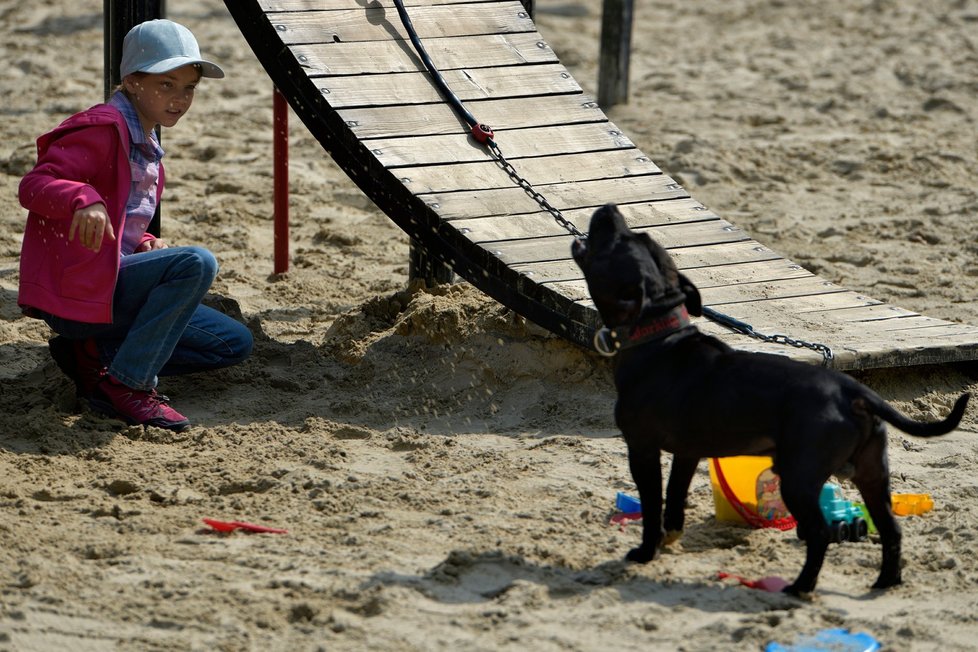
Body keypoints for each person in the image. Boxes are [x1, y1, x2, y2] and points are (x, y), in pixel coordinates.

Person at [18, 19, 253, 432]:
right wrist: (82, 199)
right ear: (131, 80)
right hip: (83, 295)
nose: (180, 98)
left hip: (108, 289)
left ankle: (94, 357)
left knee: (233, 343)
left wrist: (141, 242)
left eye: (189, 87)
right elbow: (34, 185)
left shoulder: (144, 142)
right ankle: (129, 385)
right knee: (196, 263)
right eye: (166, 84)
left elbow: (121, 221)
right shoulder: (103, 129)